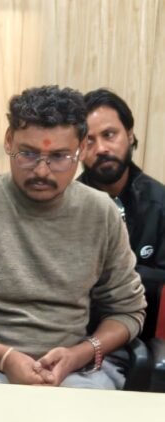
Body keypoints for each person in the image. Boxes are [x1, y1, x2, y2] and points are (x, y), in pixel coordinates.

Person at [0, 85, 146, 390]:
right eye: (28, 154)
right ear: (9, 141)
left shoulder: (101, 213)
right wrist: (4, 358)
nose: (42, 171)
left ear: (82, 149)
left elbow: (128, 310)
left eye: (59, 156)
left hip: (74, 372)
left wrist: (79, 354)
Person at [78, 88, 165, 339]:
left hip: (144, 338)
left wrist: (112, 274)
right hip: (73, 336)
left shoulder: (160, 204)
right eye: (89, 140)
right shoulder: (66, 205)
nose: (101, 148)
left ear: (129, 134)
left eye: (109, 135)